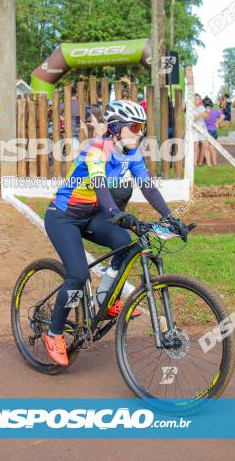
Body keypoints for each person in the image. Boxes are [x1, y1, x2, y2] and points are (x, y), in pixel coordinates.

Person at [41, 100, 189, 366]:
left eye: (142, 127)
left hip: (91, 215)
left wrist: (170, 217)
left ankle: (104, 300)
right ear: (116, 127)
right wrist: (115, 213)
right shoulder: (97, 149)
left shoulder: (132, 154)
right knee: (77, 275)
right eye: (134, 126)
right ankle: (54, 333)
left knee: (129, 247)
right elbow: (99, 184)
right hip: (62, 217)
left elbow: (147, 186)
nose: (139, 132)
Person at [203, 98, 222, 165]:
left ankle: (209, 163)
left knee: (206, 147)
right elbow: (223, 116)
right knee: (212, 147)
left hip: (206, 130)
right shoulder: (215, 110)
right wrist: (217, 123)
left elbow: (205, 119)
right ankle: (215, 162)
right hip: (214, 130)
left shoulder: (204, 111)